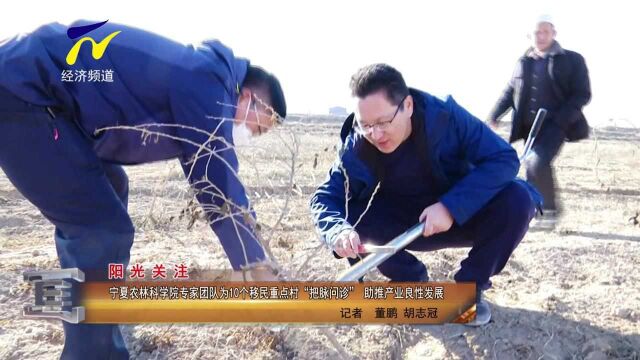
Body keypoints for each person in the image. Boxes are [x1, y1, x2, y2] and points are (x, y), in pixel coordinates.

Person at [0, 20, 286, 359]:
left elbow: (207, 175)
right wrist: (259, 269)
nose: (247, 137)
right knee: (100, 228)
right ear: (247, 98)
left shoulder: (204, 80)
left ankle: (102, 314)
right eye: (255, 128)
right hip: (23, 91)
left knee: (111, 186)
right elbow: (219, 189)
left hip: (47, 99)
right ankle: (94, 352)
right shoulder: (205, 80)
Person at [310, 63, 541, 326]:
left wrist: (451, 207)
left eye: (384, 122)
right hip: (399, 228)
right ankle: (412, 284)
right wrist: (337, 232)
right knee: (351, 214)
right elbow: (324, 198)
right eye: (365, 125)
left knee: (517, 200)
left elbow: (504, 158)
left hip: (461, 215)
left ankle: (467, 292)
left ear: (407, 105)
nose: (375, 134)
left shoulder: (445, 117)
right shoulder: (357, 147)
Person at [488, 15, 591, 227]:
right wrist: (495, 115)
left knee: (537, 162)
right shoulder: (523, 62)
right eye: (537, 32)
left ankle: (549, 212)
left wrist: (563, 118)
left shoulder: (572, 59)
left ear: (554, 33)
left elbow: (582, 94)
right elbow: (510, 91)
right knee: (531, 165)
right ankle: (540, 212)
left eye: (545, 32)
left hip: (556, 125)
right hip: (529, 127)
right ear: (531, 36)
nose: (541, 36)